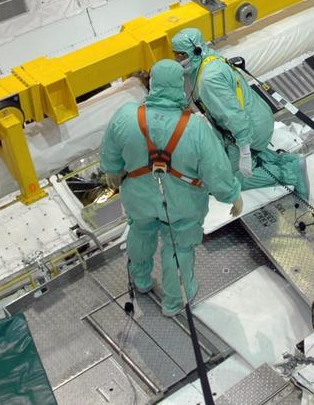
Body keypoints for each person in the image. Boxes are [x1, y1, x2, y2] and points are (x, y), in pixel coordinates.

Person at [101, 59, 243, 315]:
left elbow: (110, 152)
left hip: (139, 196)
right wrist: (232, 195)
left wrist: (112, 171)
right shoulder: (197, 128)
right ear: (180, 85)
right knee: (179, 249)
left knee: (140, 234)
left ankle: (141, 281)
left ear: (153, 83)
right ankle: (174, 302)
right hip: (183, 203)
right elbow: (217, 169)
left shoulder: (126, 116)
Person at [170, 28, 309, 198]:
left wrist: (244, 151)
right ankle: (291, 162)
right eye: (176, 55)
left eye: (181, 55)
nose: (178, 60)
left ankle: (292, 175)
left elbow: (234, 115)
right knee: (243, 155)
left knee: (228, 179)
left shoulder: (208, 79)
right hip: (258, 118)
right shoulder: (209, 60)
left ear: (196, 50)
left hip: (249, 128)